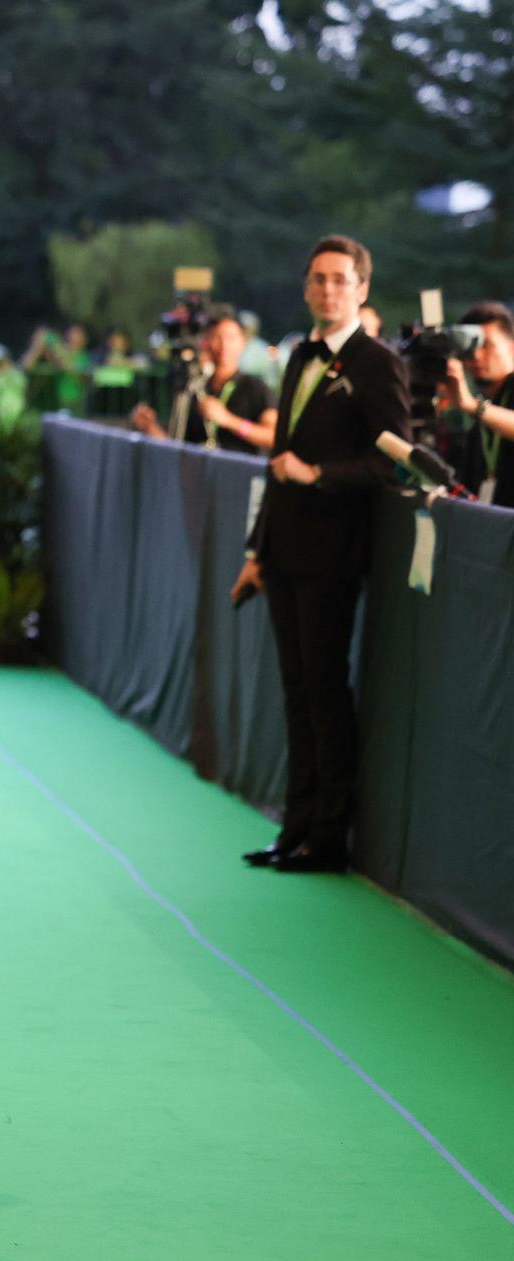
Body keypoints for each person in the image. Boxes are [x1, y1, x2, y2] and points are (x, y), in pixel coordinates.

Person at [232, 235, 407, 874]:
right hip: (283, 551)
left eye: (339, 279)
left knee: (327, 693)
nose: (327, 289)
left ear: (362, 288)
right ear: (306, 288)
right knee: (297, 692)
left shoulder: (379, 363)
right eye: (317, 278)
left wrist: (319, 474)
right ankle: (295, 827)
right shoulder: (300, 354)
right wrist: (257, 549)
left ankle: (328, 838)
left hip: (334, 554)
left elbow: (393, 466)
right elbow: (276, 462)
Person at [132, 309, 277, 451]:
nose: (224, 345)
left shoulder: (255, 388)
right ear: (206, 342)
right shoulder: (194, 387)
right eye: (217, 337)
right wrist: (150, 427)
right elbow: (176, 447)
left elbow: (272, 438)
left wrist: (229, 420)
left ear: (242, 343)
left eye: (231, 338)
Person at [438, 301, 514, 506]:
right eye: (470, 347)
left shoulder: (479, 405)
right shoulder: (483, 403)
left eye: (487, 345)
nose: (477, 355)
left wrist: (472, 405)